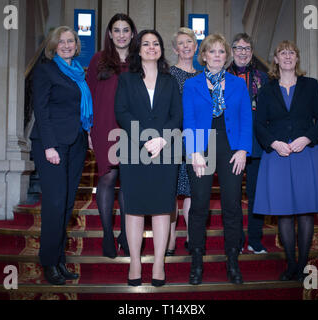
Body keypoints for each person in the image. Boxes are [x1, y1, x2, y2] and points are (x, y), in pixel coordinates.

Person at [253, 40, 318, 282]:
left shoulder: (310, 85)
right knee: (284, 212)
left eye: (291, 52)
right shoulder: (266, 90)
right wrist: (274, 143)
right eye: (282, 53)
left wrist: (308, 138)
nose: (287, 56)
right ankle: (291, 264)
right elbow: (259, 125)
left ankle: (302, 264)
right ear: (275, 60)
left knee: (305, 212)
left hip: (305, 154)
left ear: (296, 59)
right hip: (278, 155)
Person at [182, 34, 252, 285]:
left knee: (232, 206)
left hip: (231, 147)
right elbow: (188, 119)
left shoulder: (238, 84)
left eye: (222, 52)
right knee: (199, 205)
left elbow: (246, 119)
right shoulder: (192, 85)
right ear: (204, 56)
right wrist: (195, 152)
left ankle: (232, 260)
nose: (217, 56)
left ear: (227, 56)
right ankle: (197, 260)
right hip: (200, 146)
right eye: (212, 52)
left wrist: (243, 150)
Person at [114, 30, 182, 287]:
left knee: (162, 209)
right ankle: (134, 262)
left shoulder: (170, 80)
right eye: (146, 44)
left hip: (166, 149)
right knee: (134, 209)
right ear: (138, 49)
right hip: (134, 148)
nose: (151, 47)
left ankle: (158, 264)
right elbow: (121, 112)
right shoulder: (127, 80)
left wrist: (162, 138)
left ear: (161, 49)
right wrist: (146, 138)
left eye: (156, 43)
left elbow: (177, 115)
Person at [30, 26, 93, 285]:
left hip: (76, 142)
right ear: (54, 46)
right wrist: (49, 146)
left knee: (67, 205)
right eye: (61, 41)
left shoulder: (79, 73)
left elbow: (80, 110)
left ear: (76, 45)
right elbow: (41, 110)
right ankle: (49, 263)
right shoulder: (46, 71)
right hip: (53, 145)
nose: (66, 45)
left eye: (71, 41)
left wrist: (87, 133)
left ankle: (59, 260)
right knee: (54, 205)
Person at [86, 13, 137, 259]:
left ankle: (126, 234)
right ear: (109, 34)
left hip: (132, 128)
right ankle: (108, 233)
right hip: (105, 126)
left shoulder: (139, 60)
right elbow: (89, 97)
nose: (121, 34)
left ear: (132, 34)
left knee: (128, 180)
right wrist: (88, 129)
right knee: (108, 177)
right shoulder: (98, 60)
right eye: (116, 30)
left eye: (125, 30)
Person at [227, 33, 268, 254]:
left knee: (255, 194)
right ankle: (235, 240)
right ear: (232, 51)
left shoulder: (264, 78)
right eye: (238, 48)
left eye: (247, 48)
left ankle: (254, 239)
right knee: (232, 195)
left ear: (251, 52)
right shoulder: (222, 76)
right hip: (231, 144)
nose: (242, 52)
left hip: (257, 144)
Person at [166, 27, 201, 256]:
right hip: (171, 138)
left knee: (191, 191)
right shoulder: (167, 75)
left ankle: (191, 237)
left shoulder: (203, 76)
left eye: (190, 42)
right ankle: (169, 240)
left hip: (196, 140)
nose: (186, 46)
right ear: (174, 48)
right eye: (181, 43)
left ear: (196, 47)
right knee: (169, 192)